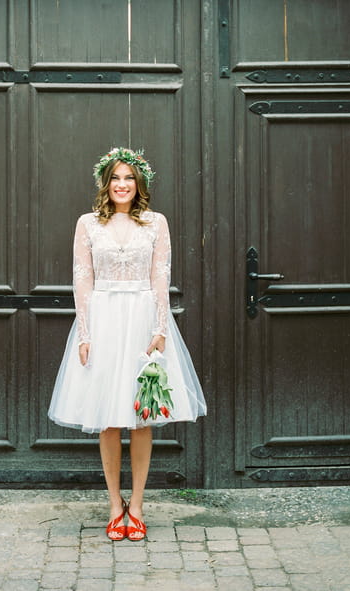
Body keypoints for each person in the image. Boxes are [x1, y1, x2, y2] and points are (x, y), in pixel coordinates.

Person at [48, 147, 206, 541]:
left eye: (129, 178)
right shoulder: (88, 224)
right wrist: (84, 333)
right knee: (108, 418)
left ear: (140, 185)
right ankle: (113, 505)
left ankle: (136, 506)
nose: (122, 185)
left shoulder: (155, 223)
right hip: (102, 320)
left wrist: (160, 329)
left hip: (141, 319)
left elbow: (160, 277)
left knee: (141, 417)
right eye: (116, 178)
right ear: (106, 183)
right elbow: (82, 279)